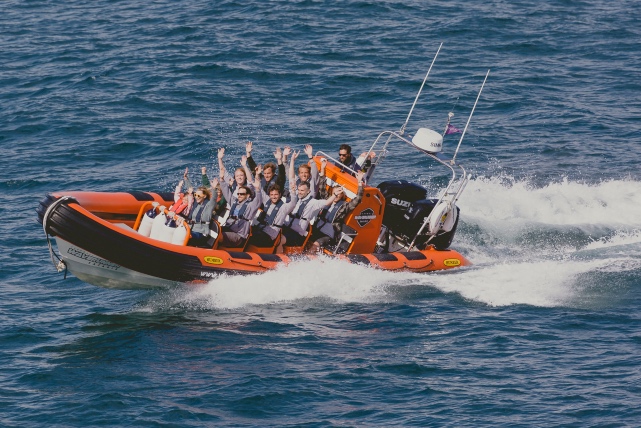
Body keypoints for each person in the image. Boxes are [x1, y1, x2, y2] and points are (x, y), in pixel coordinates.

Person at [281, 151, 340, 248]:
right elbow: (290, 176)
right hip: (288, 224)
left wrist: (310, 158)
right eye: (301, 173)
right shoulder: (297, 188)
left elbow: (315, 175)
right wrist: (290, 159)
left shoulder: (311, 192)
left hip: (299, 228)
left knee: (280, 238)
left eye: (306, 173)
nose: (304, 175)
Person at [310, 167, 365, 253]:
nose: (337, 195)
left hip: (330, 234)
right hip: (318, 228)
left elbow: (358, 199)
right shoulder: (327, 199)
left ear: (342, 195)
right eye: (336, 192)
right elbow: (322, 187)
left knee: (316, 244)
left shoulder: (344, 206)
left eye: (340, 193)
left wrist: (359, 183)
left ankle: (307, 258)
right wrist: (323, 169)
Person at [247, 161, 298, 252]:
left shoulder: (284, 208)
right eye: (272, 195)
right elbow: (260, 190)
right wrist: (257, 176)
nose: (274, 197)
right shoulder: (267, 200)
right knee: (245, 230)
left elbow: (293, 203)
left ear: (279, 195)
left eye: (276, 195)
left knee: (248, 236)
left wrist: (293, 191)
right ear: (269, 195)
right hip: (260, 229)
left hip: (269, 236)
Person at [217, 166, 262, 248]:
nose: (239, 196)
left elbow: (258, 201)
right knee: (214, 232)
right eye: (238, 194)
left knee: (219, 236)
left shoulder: (250, 206)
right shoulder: (234, 202)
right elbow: (226, 191)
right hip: (229, 228)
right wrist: (221, 179)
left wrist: (258, 189)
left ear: (247, 195)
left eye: (242, 194)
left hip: (239, 235)